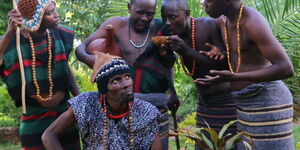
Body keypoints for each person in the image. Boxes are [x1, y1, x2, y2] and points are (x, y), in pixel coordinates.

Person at [75, 0, 178, 148]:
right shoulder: (116, 25)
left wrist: (173, 92)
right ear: (129, 8)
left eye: (150, 14)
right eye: (140, 12)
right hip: (123, 107)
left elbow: (168, 63)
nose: (144, 18)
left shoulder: (161, 27)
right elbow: (81, 49)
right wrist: (99, 62)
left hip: (156, 103)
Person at [196, 0, 295, 149]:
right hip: (243, 103)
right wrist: (222, 53)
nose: (204, 3)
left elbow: (286, 68)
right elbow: (245, 53)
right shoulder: (223, 21)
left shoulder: (252, 21)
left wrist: (235, 77)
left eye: (209, 0)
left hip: (268, 102)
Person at [0, 0, 81, 149]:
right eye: (49, 13)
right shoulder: (13, 42)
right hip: (34, 120)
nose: (57, 15)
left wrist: (80, 102)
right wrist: (9, 32)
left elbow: (65, 67)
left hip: (65, 118)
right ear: (34, 18)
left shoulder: (60, 34)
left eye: (55, 10)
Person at [159, 0, 237, 145]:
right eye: (164, 18)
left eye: (172, 17)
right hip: (204, 104)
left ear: (187, 14)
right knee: (203, 145)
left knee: (229, 145)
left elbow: (223, 66)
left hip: (228, 102)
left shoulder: (209, 25)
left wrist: (186, 50)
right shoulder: (172, 35)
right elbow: (167, 64)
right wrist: (172, 92)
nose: (167, 22)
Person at [42, 58, 163, 150]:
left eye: (127, 76)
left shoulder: (147, 113)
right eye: (116, 80)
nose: (126, 84)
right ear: (104, 90)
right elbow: (49, 135)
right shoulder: (86, 104)